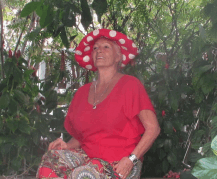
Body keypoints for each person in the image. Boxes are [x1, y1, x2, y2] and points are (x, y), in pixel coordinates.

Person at [36, 29, 160, 179]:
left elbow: (153, 129)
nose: (99, 50)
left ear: (118, 57)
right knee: (51, 160)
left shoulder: (130, 85)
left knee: (84, 174)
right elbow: (84, 137)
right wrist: (66, 146)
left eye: (106, 47)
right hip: (87, 157)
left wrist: (131, 159)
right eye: (95, 48)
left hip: (121, 162)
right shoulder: (82, 92)